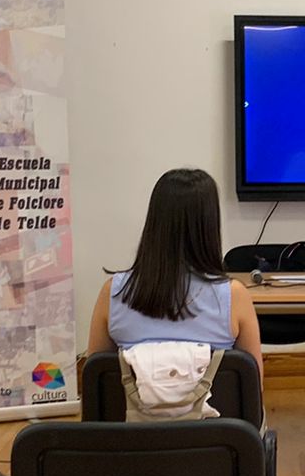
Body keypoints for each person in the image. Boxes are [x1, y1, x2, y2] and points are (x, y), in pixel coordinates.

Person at [86, 168, 264, 416]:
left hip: (128, 448)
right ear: (210, 226)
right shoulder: (234, 297)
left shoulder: (114, 293)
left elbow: (94, 384)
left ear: (154, 222)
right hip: (215, 450)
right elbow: (254, 390)